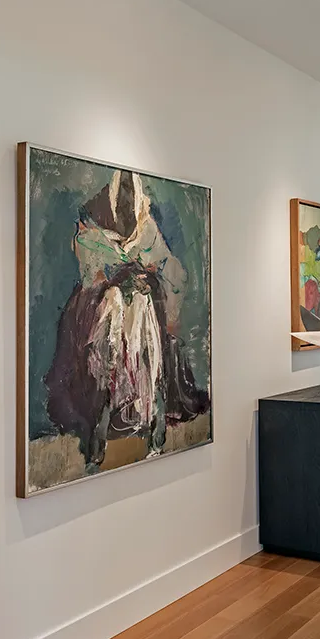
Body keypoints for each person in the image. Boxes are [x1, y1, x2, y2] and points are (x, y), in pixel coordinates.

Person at [46, 170, 210, 474]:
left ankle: (154, 439)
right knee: (108, 371)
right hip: (111, 312)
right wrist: (116, 277)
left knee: (150, 367)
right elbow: (90, 273)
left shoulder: (147, 229)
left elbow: (171, 272)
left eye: (129, 199)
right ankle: (98, 448)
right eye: (120, 200)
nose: (125, 206)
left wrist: (147, 278)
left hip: (142, 313)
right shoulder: (92, 228)